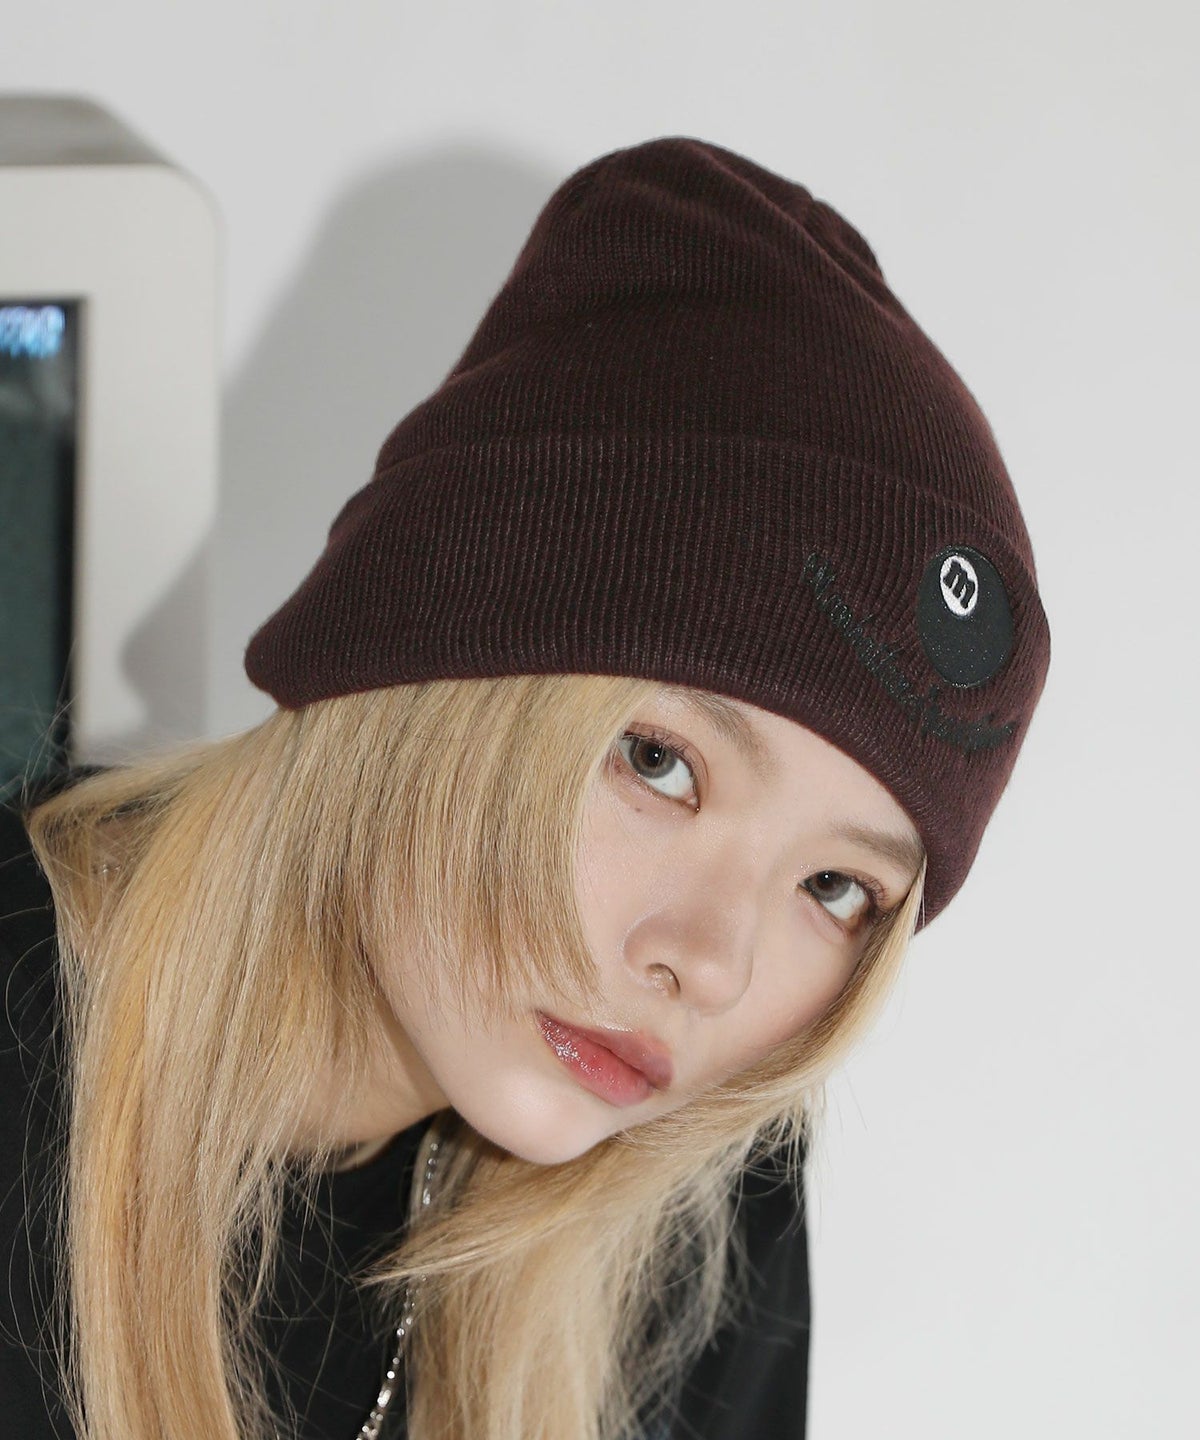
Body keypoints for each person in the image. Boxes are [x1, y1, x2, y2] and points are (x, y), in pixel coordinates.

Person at [0, 136, 1050, 1440]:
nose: (708, 965)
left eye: (835, 886)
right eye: (660, 762)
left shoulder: (696, 1221)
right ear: (423, 654)